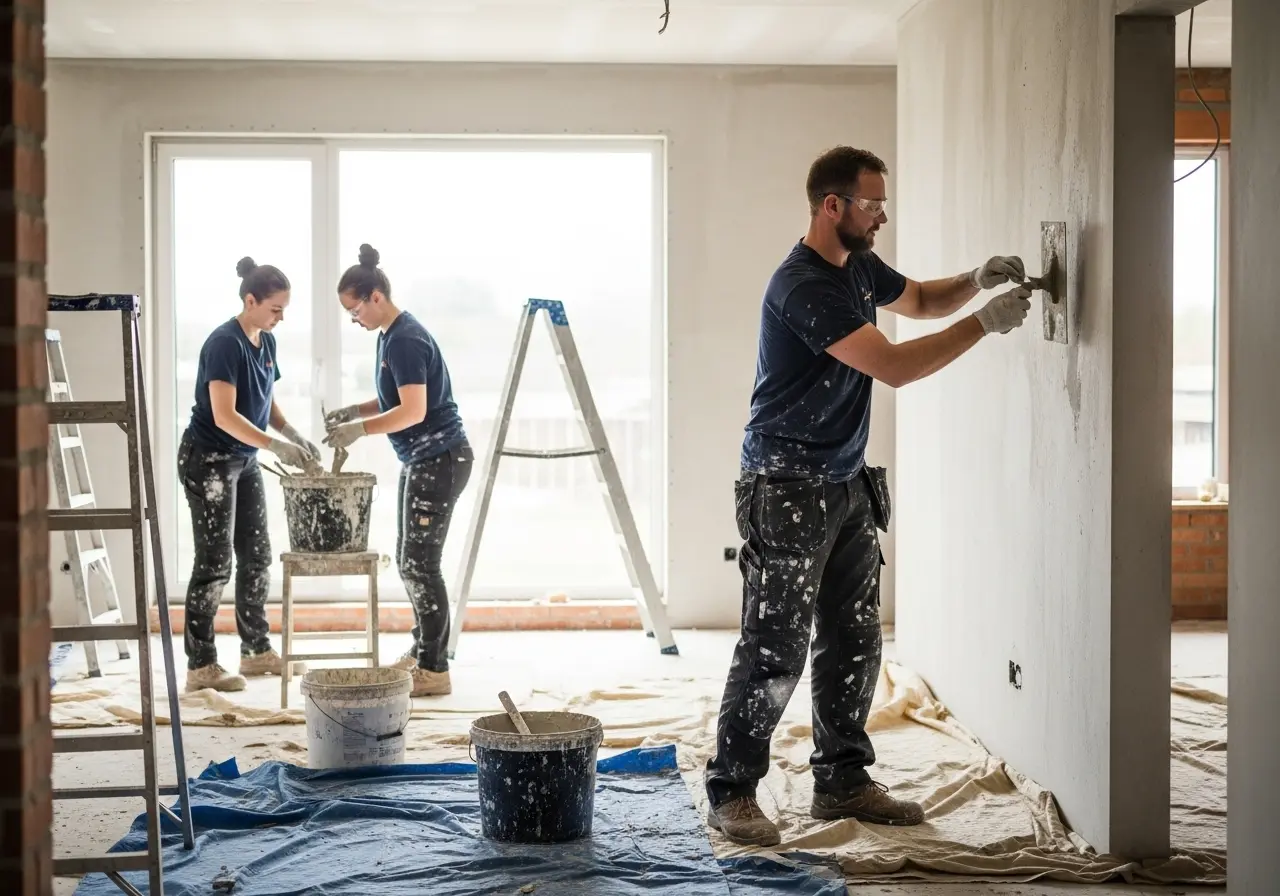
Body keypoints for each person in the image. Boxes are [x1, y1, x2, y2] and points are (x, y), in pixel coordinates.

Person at [704, 146, 1033, 846]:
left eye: (882, 204)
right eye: (871, 204)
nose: (881, 216)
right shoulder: (803, 286)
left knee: (855, 640)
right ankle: (732, 791)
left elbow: (919, 300)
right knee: (775, 647)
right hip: (786, 486)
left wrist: (974, 281)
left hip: (847, 480)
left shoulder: (857, 265)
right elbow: (894, 366)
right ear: (833, 206)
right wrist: (985, 322)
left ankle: (843, 781)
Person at [323, 244, 473, 698]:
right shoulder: (389, 336)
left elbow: (412, 410)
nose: (354, 320)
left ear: (375, 296)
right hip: (423, 458)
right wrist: (356, 410)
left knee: (421, 565)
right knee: (410, 561)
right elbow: (395, 397)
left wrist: (359, 430)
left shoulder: (406, 338)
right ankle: (424, 650)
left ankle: (434, 668)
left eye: (355, 310)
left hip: (439, 458)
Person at [180, 257, 323, 692]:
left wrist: (292, 434)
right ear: (250, 300)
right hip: (209, 458)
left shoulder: (266, 341)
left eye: (283, 310)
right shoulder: (224, 343)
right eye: (275, 309)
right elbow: (224, 415)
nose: (281, 317)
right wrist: (276, 447)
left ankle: (256, 650)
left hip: (244, 459)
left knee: (257, 555)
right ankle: (200, 664)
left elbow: (265, 401)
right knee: (214, 562)